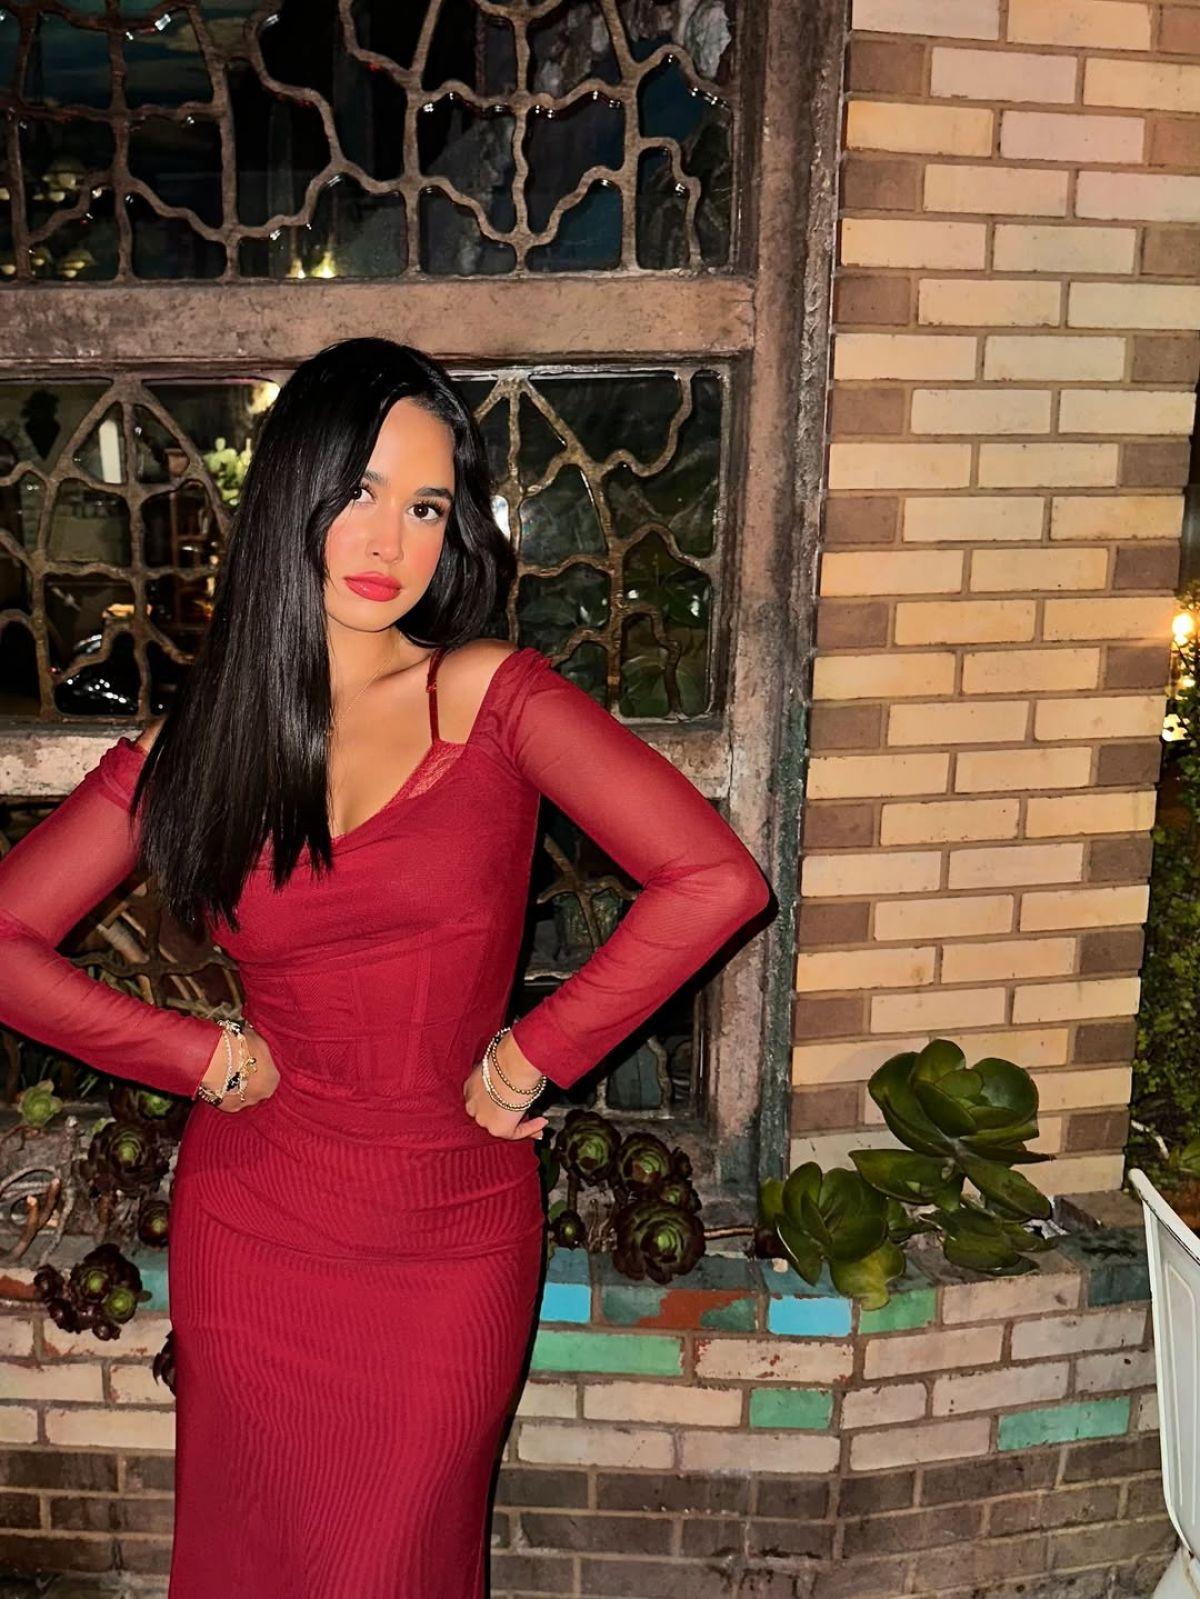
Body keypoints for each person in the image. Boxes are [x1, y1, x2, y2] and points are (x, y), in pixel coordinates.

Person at [0, 337, 772, 1597]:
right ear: (292, 495)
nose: (391, 540)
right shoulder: (202, 743)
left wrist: (532, 1057)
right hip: (255, 1229)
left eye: (425, 506)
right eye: (360, 492)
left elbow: (715, 880)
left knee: (394, 1561)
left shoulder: (490, 696)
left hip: (447, 1241)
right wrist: (197, 1057)